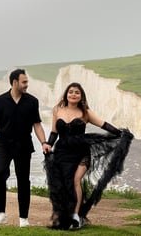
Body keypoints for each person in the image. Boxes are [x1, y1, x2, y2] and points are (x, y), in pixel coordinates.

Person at [44, 82, 133, 230]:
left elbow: (103, 124)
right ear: (66, 94)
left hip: (81, 152)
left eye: (77, 92)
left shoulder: (85, 112)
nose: (73, 94)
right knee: (63, 185)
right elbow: (54, 132)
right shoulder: (57, 110)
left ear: (81, 96)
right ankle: (65, 215)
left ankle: (76, 216)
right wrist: (48, 144)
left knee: (76, 180)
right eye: (71, 92)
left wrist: (120, 134)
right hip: (62, 152)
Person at [0, 69, 47, 227]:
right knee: (0, 174)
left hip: (24, 145)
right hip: (3, 144)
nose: (27, 85)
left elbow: (37, 125)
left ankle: (23, 219)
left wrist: (44, 142)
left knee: (23, 180)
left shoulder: (32, 101)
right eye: (24, 82)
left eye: (27, 81)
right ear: (14, 82)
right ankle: (0, 214)